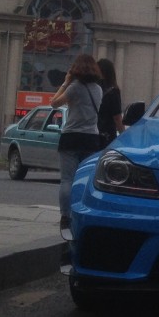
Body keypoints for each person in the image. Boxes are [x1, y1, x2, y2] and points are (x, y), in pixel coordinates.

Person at [50, 53, 103, 229]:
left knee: (67, 179)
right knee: (87, 179)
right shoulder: (98, 89)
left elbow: (54, 103)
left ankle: (66, 216)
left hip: (71, 136)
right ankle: (84, 211)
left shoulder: (74, 87)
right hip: (91, 138)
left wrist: (65, 82)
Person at [97, 57, 124, 147]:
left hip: (91, 133)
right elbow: (117, 117)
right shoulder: (113, 91)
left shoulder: (93, 88)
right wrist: (123, 136)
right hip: (106, 134)